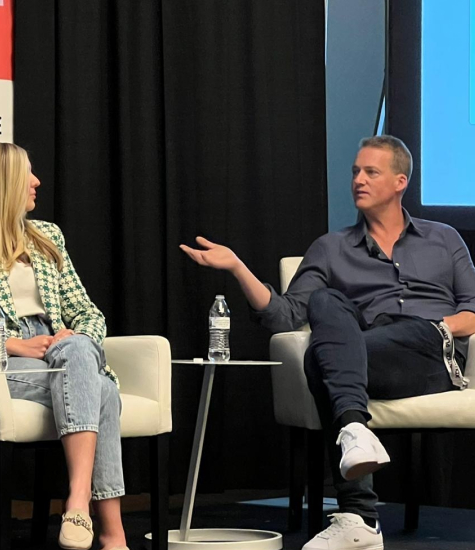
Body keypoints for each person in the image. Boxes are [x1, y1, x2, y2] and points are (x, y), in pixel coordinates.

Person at [181, 135, 475, 550]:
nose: (358, 179)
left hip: (432, 353)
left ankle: (359, 515)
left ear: (399, 182)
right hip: (369, 355)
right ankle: (355, 433)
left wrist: (436, 326)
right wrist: (237, 267)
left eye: (371, 172)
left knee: (324, 359)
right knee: (324, 303)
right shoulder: (331, 248)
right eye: (355, 171)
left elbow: (473, 310)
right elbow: (285, 315)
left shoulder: (444, 239)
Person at [0, 142, 129, 550]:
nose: (36, 182)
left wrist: (75, 337)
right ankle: (110, 532)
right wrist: (15, 345)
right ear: (0, 184)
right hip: (0, 361)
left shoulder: (47, 237)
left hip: (61, 351)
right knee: (102, 390)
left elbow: (88, 312)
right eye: (27, 175)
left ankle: (78, 506)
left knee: (78, 350)